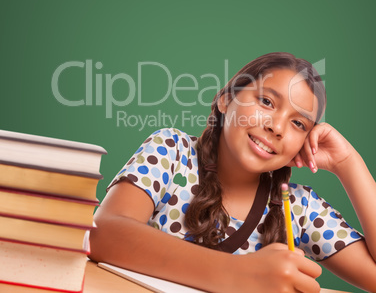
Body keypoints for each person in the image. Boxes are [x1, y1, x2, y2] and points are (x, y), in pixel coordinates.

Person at [89, 52, 376, 292]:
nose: (276, 127)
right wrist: (237, 274)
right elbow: (103, 232)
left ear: (304, 144)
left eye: (298, 124)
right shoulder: (172, 152)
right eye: (266, 101)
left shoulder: (297, 209)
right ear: (226, 99)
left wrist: (348, 164)